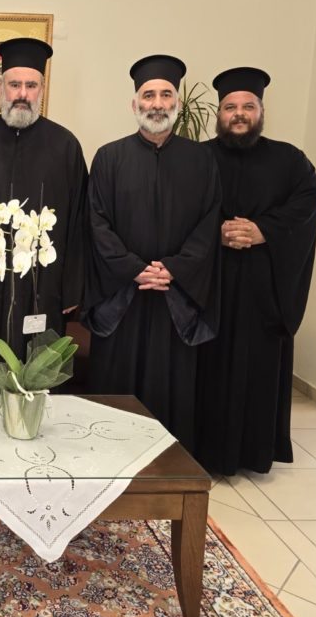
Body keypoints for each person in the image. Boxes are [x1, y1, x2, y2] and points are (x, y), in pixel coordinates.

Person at [83, 54, 221, 452]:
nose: (157, 103)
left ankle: (168, 463)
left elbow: (209, 221)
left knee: (170, 385)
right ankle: (108, 456)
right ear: (134, 104)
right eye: (148, 95)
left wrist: (173, 269)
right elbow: (96, 221)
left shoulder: (202, 159)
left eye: (165, 95)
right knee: (116, 388)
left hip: (176, 296)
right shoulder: (109, 157)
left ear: (177, 102)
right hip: (123, 296)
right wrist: (134, 269)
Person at [197, 67, 316, 475]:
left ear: (261, 111)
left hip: (263, 291)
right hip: (211, 286)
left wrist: (263, 230)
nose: (239, 114)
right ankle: (202, 450)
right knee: (208, 369)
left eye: (248, 106)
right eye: (230, 107)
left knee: (256, 369)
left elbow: (307, 205)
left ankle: (252, 453)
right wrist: (217, 231)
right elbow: (181, 210)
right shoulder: (198, 159)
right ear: (219, 113)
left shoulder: (290, 161)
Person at [0, 38, 88, 392]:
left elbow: (79, 221)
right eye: (15, 84)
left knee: (38, 372)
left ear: (42, 89)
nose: (22, 94)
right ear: (0, 87)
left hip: (43, 286)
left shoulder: (66, 146)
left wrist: (71, 289)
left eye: (31, 85)